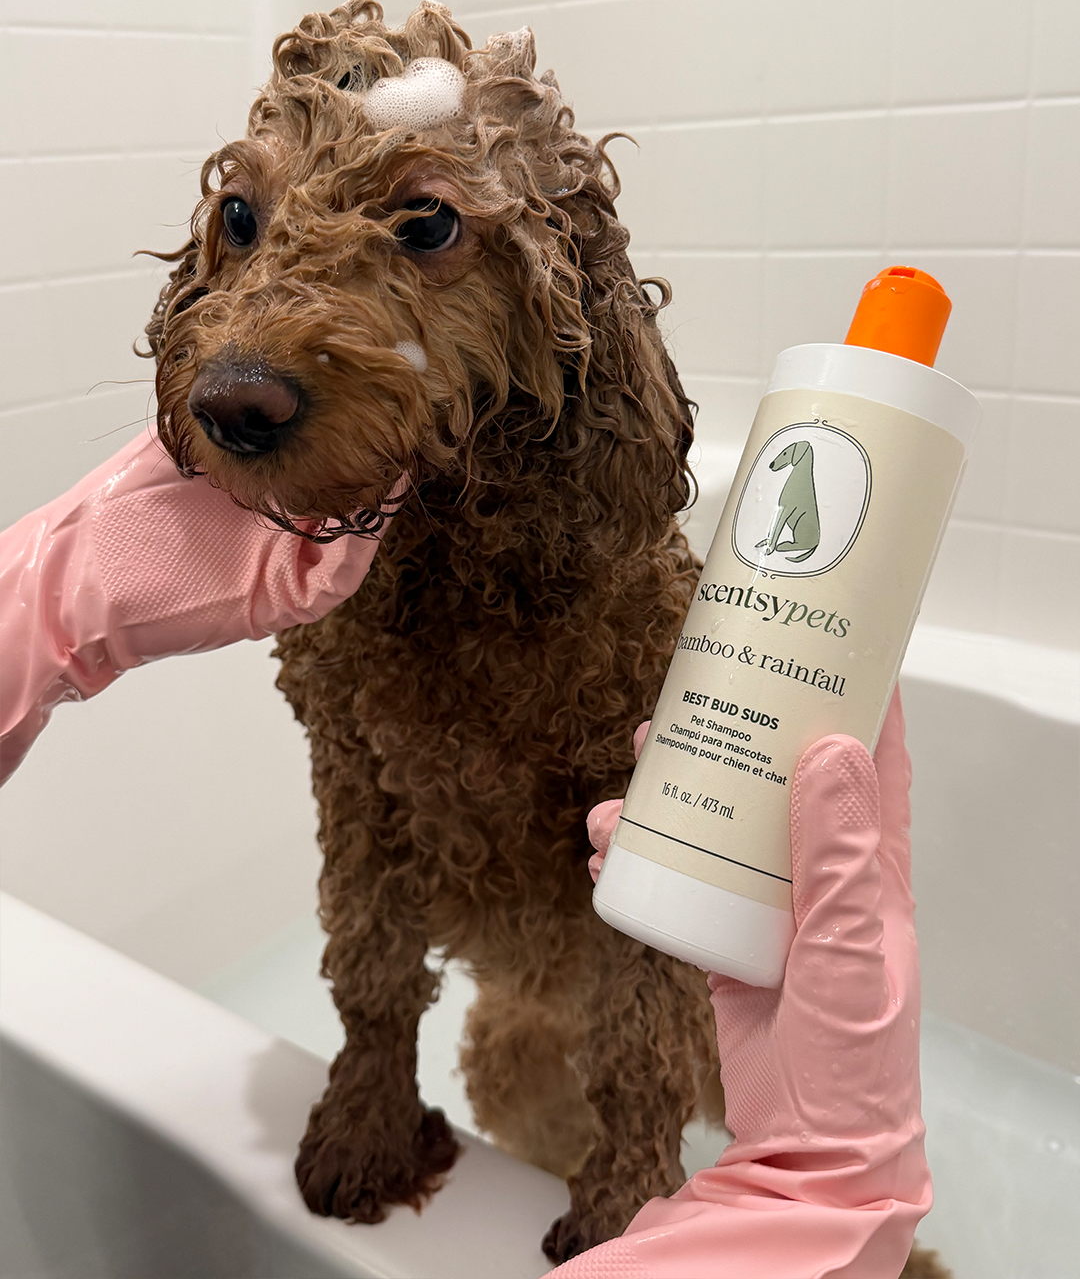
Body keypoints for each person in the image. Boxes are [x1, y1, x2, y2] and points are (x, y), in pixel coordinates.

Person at [1, 431, 933, 1279]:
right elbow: (360, 821)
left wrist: (638, 1145)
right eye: (243, 231)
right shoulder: (329, 591)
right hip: (533, 995)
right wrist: (375, 1060)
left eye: (427, 232)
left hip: (670, 973)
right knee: (513, 1073)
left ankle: (660, 1143)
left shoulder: (627, 589)